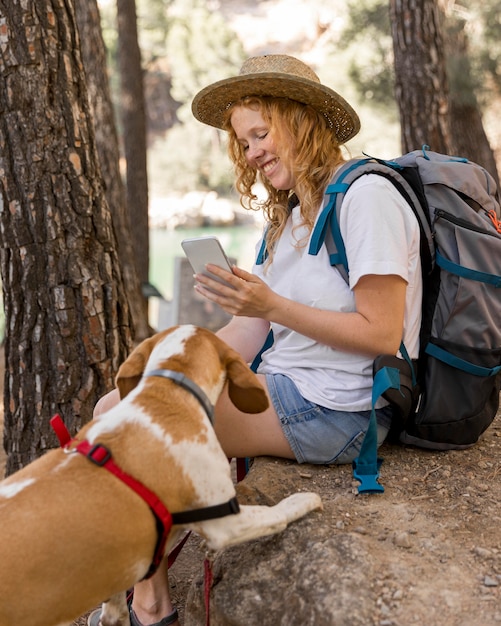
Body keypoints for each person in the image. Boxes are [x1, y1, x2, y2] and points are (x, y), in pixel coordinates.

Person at [89, 54, 422, 626]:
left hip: (336, 408)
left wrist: (269, 303)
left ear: (304, 120)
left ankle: (149, 607)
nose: (252, 153)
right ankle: (146, 578)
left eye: (261, 133)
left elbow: (382, 332)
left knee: (130, 421)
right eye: (243, 143)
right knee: (118, 404)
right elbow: (250, 331)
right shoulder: (289, 220)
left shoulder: (368, 197)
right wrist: (176, 365)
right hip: (286, 390)